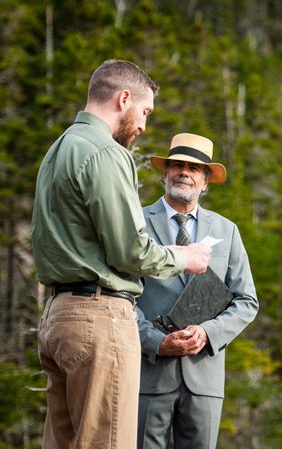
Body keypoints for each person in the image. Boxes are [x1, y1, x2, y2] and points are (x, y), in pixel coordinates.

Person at [31, 59, 212, 449]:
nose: (144, 125)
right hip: (100, 319)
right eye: (145, 111)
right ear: (124, 98)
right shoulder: (106, 153)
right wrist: (185, 258)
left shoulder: (58, 149)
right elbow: (130, 250)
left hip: (57, 317)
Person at [136, 133, 259, 449]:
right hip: (147, 373)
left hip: (204, 377)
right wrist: (156, 341)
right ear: (165, 174)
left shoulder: (226, 230)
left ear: (206, 182)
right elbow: (122, 295)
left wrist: (207, 333)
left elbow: (246, 301)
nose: (184, 172)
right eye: (177, 164)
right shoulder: (135, 222)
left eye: (194, 168)